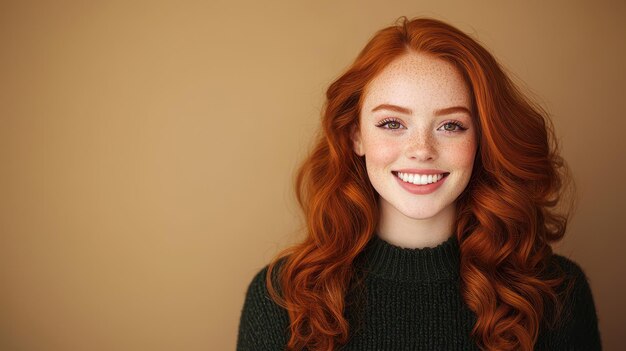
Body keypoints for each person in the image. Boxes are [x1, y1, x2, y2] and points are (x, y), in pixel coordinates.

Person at [237, 17, 601, 351]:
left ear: (482, 140)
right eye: (392, 123)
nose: (421, 151)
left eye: (451, 125)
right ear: (355, 136)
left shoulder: (555, 295)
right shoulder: (281, 299)